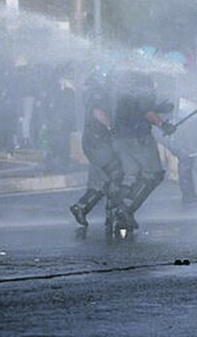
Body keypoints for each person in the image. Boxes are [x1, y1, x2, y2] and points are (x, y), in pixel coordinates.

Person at [112, 71, 175, 230]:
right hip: (138, 137)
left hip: (120, 137)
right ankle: (125, 209)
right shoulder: (143, 84)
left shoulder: (125, 85)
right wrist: (163, 124)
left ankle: (118, 212)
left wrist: (158, 108)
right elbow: (146, 111)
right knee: (153, 174)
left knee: (132, 175)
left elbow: (135, 108)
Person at [69, 68, 122, 229]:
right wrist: (111, 126)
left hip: (94, 143)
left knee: (99, 182)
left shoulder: (92, 93)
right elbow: (98, 113)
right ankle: (112, 214)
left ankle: (81, 207)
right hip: (98, 143)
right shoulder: (99, 94)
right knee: (116, 174)